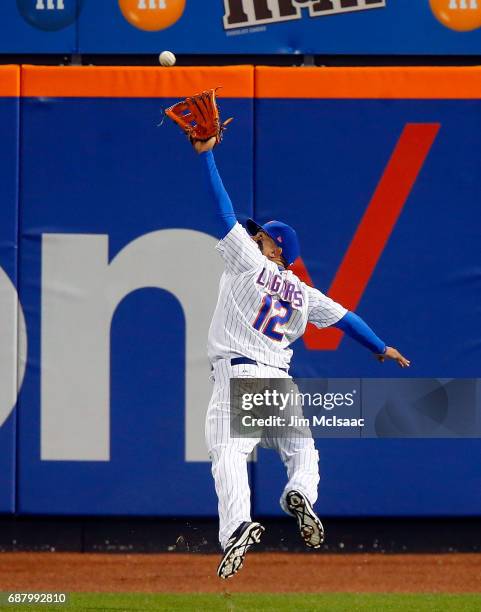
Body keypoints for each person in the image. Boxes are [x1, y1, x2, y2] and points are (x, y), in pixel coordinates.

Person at [194, 137, 410, 580]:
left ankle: (236, 527)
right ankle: (300, 495)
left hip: (240, 375)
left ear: (275, 250)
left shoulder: (248, 263)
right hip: (278, 382)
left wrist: (206, 154)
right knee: (302, 452)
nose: (253, 237)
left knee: (229, 453)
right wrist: (380, 348)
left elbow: (221, 209)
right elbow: (348, 319)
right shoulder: (305, 295)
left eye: (262, 237)